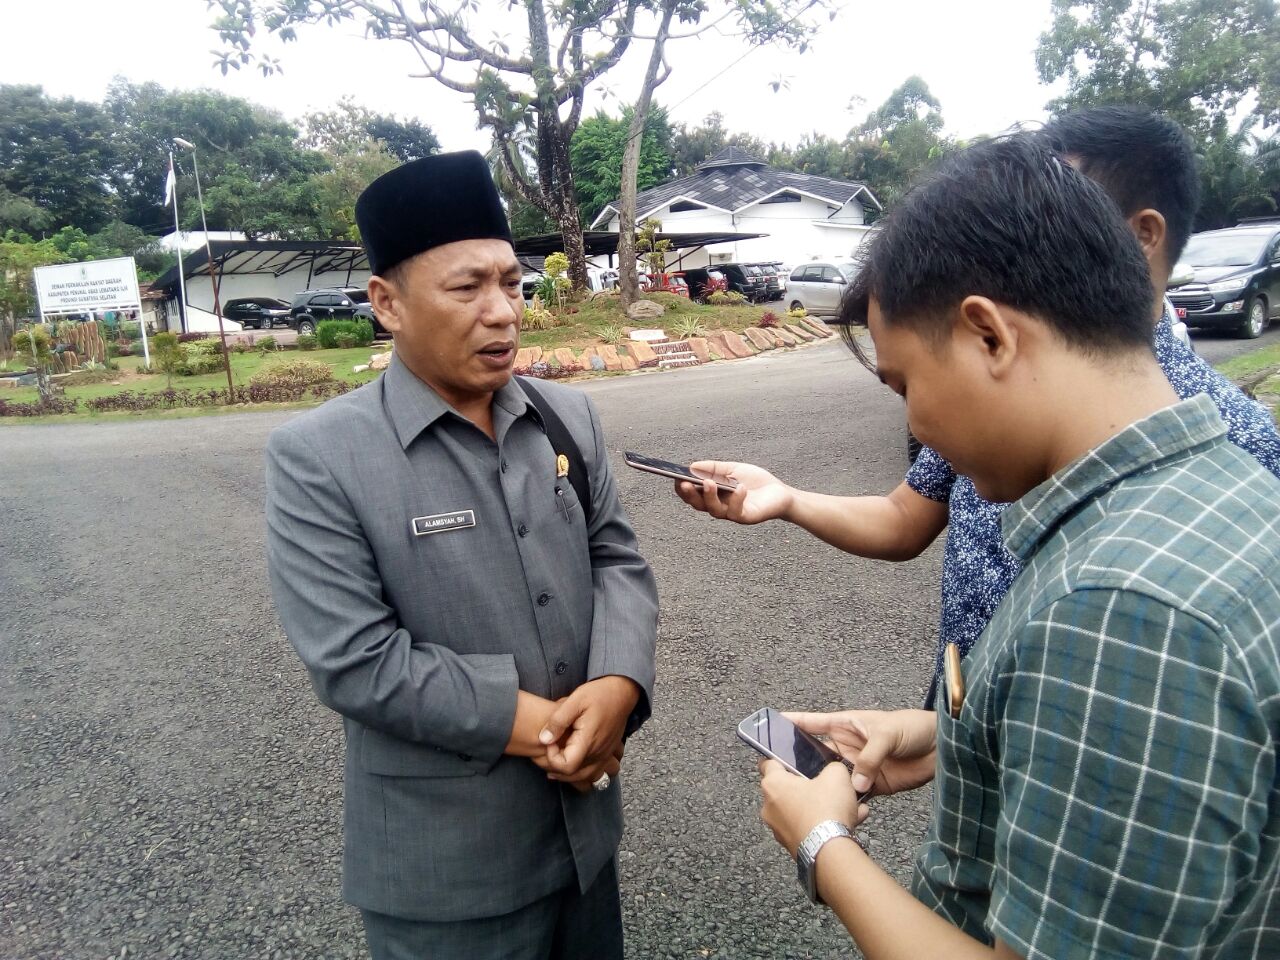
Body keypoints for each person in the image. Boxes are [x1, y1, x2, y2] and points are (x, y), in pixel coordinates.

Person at [755, 134, 1280, 958]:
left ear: (990, 337)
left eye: (904, 386)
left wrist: (824, 845)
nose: (916, 425)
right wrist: (940, 735)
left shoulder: (1116, 612)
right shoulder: (1216, 493)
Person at [674, 107, 1280, 702]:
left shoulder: (1231, 459)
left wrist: (825, 812)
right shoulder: (985, 411)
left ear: (1142, 235)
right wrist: (789, 499)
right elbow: (907, 517)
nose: (1016, 235)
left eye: (1059, 208)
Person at [264, 151, 658, 960]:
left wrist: (619, 684)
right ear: (387, 304)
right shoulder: (320, 456)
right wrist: (553, 730)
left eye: (512, 283)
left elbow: (615, 556)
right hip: (445, 876)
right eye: (466, 287)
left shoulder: (567, 417)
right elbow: (355, 660)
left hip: (586, 842)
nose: (504, 312)